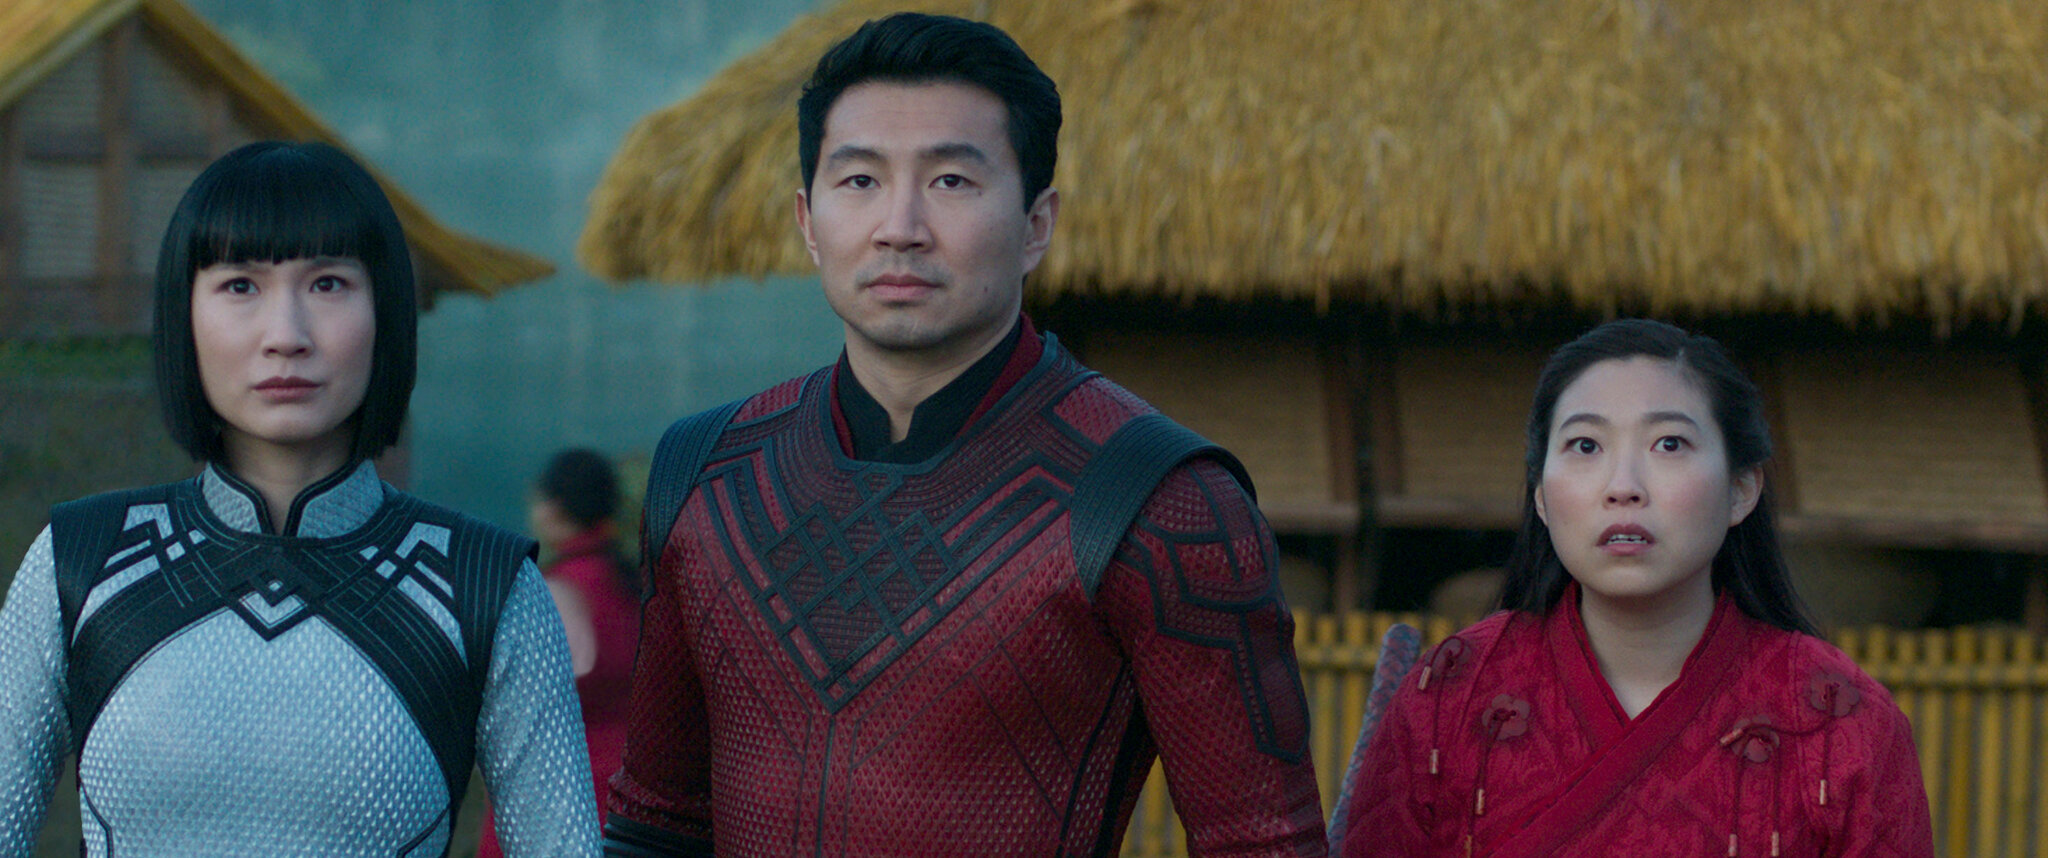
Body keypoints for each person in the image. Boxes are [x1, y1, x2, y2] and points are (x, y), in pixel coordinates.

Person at [603, 12, 1325, 857]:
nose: (899, 225)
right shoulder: (705, 474)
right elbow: (655, 825)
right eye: (859, 180)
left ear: (1037, 224)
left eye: (951, 180)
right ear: (807, 220)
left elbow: (1264, 846)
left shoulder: (1160, 500)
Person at [0, 141, 599, 856]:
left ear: (386, 313)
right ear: (183, 315)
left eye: (328, 284)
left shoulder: (483, 586)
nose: (285, 336)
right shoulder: (81, 562)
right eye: (240, 286)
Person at [1337, 319, 1933, 857]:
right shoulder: (1446, 700)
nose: (1623, 486)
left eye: (1669, 444)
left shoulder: (1845, 725)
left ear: (1741, 490)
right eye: (1586, 446)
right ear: (1540, 495)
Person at [481, 449, 641, 857]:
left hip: (555, 802)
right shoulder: (634, 585)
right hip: (629, 807)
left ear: (552, 508)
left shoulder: (552, 593)